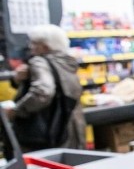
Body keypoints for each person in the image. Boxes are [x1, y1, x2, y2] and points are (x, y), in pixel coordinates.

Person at [4, 24, 85, 152]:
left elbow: (43, 91)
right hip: (68, 130)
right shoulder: (67, 62)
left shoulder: (39, 62)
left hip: (42, 135)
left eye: (34, 43)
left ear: (45, 46)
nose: (30, 47)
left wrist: (17, 110)